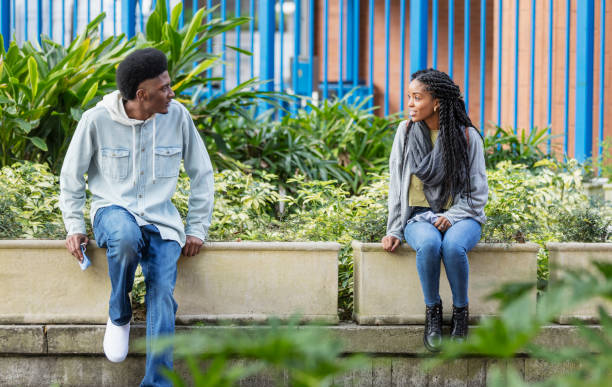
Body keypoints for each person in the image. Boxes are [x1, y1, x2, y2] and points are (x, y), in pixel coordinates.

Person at [59, 48, 214, 386]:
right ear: (142, 95)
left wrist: (197, 228)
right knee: (126, 238)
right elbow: (71, 178)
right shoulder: (96, 119)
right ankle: (119, 314)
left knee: (162, 295)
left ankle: (158, 382)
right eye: (165, 88)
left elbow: (202, 173)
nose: (171, 93)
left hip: (162, 220)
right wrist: (74, 226)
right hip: (112, 211)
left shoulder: (178, 117)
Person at [381, 68, 488, 352]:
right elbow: (396, 187)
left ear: (436, 101)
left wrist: (450, 217)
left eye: (417, 97)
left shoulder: (467, 137)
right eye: (409, 97)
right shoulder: (404, 134)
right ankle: (433, 313)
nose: (410, 104)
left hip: (463, 214)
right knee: (428, 244)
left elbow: (477, 195)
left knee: (453, 247)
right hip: (418, 215)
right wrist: (393, 229)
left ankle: (461, 314)